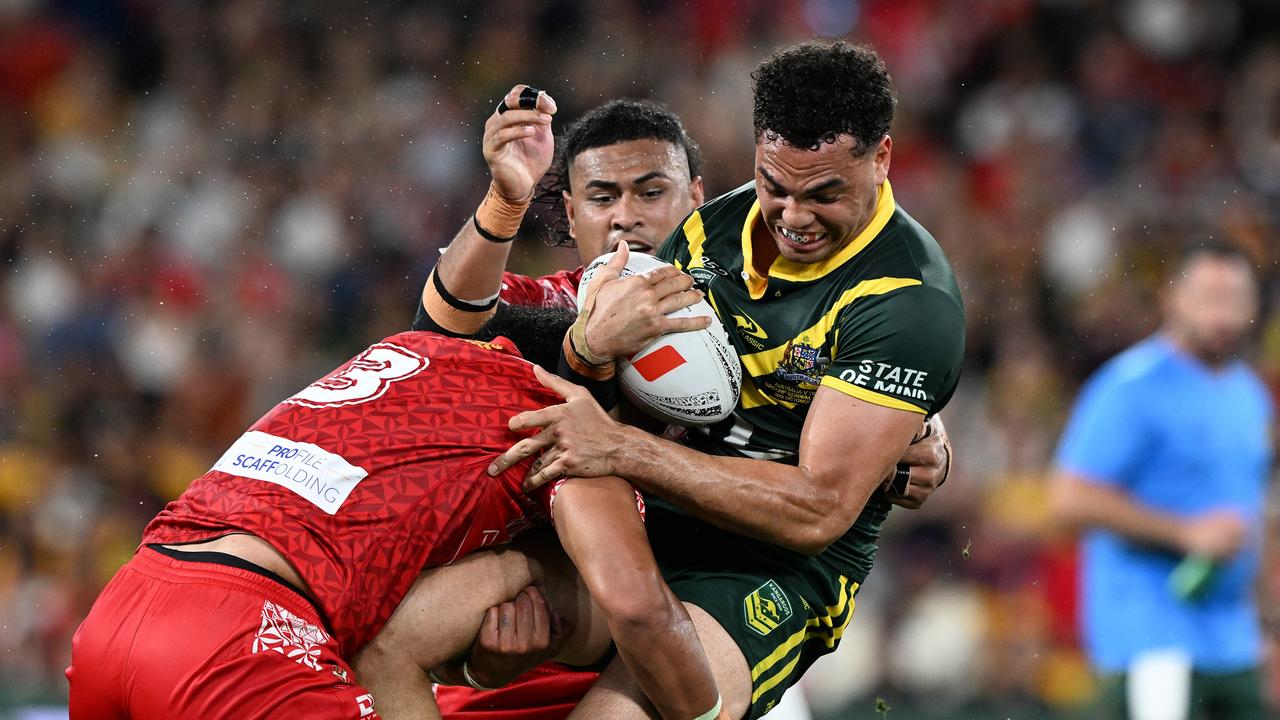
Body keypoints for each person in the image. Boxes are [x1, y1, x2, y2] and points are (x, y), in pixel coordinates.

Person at [414, 87, 954, 719]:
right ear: (568, 210)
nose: (625, 217)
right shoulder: (549, 307)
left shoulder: (737, 291)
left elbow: (852, 386)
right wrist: (508, 203)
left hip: (739, 594)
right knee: (405, 630)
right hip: (577, 608)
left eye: (650, 193)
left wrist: (919, 425)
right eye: (601, 197)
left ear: (697, 199)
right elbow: (438, 337)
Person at [65, 300, 728, 720]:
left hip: (120, 613)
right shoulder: (560, 420)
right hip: (242, 637)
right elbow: (639, 610)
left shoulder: (405, 356)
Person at [1050, 242, 1273, 720]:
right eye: (1210, 297)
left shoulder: (1248, 394)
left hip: (1234, 640)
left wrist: (1268, 627)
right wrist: (1184, 532)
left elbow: (1249, 515)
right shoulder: (1130, 387)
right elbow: (1069, 498)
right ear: (1174, 299)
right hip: (1154, 637)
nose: (1224, 314)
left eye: (1237, 299)